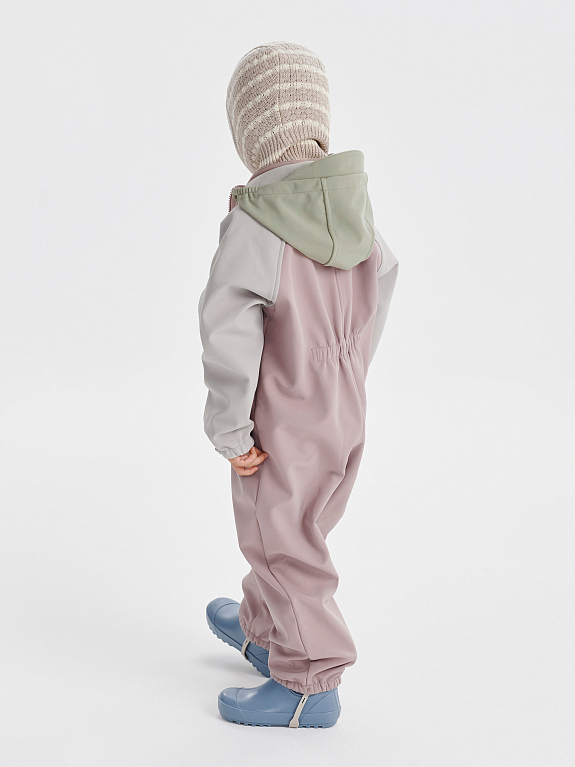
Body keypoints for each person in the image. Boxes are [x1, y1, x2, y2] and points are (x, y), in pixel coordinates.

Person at [199, 41, 398, 728]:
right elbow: (384, 276)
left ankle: (311, 681)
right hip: (343, 409)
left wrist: (230, 426)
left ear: (249, 131)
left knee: (279, 538)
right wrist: (350, 369)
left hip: (281, 419)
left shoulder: (257, 221)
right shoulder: (352, 207)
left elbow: (228, 331)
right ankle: (266, 627)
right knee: (301, 525)